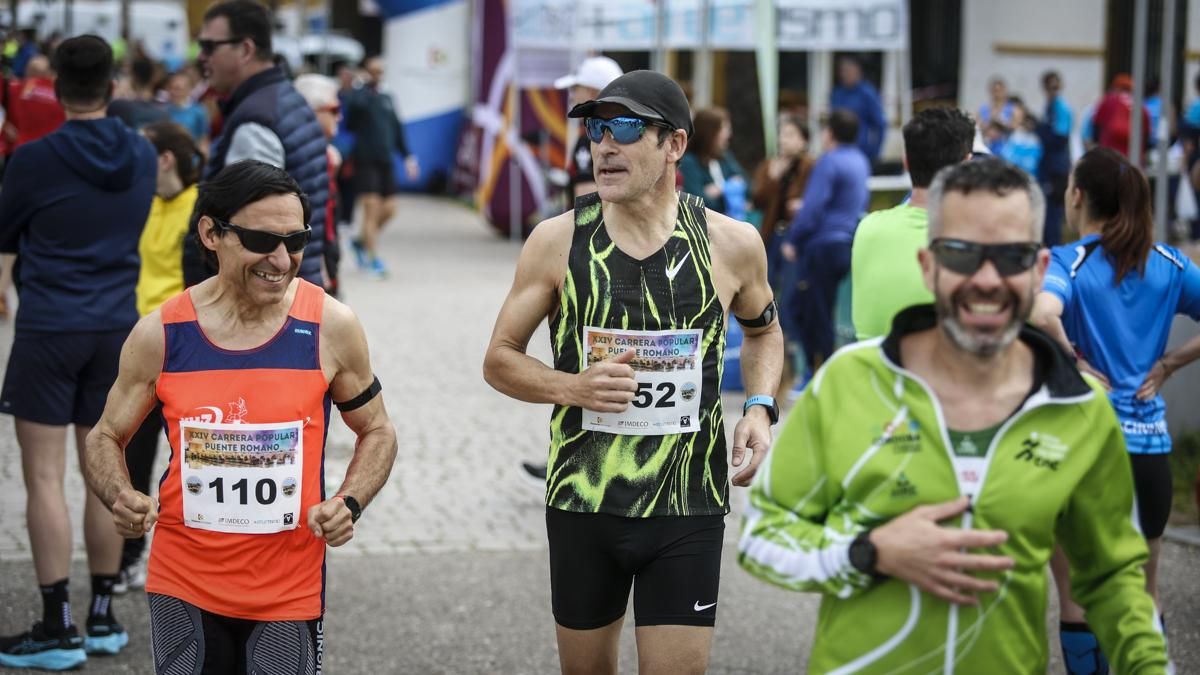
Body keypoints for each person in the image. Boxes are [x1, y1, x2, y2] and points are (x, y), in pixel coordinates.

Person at [739, 157, 1168, 674]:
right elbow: (761, 535)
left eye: (1010, 256)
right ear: (928, 265)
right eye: (962, 253)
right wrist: (868, 552)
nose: (986, 279)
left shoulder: (1078, 408)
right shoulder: (848, 381)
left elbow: (1113, 578)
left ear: (1038, 269)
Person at [483, 70, 783, 674]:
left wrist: (758, 406)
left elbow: (765, 329)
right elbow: (499, 358)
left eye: (623, 128)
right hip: (583, 502)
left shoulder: (731, 244)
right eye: (595, 129)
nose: (603, 145)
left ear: (674, 144)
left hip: (688, 501)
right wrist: (572, 386)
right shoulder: (556, 241)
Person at [83, 160, 399, 675]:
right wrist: (118, 494)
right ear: (211, 233)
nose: (281, 259)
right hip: (183, 577)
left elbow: (378, 429)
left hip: (288, 586)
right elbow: (106, 435)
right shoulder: (160, 333)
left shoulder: (330, 326)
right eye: (260, 239)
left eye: (295, 241)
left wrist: (350, 500)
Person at [0, 35, 156, 670]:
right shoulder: (143, 154)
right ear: (113, 86)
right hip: (118, 331)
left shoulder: (33, 159)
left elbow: (6, 234)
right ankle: (101, 617)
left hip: (49, 327)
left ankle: (56, 624)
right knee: (105, 475)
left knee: (43, 478)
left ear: (57, 88)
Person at [1031, 147, 1199, 674]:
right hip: (1149, 449)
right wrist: (1170, 364)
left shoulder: (1071, 261)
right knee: (1143, 592)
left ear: (1076, 195)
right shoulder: (1170, 263)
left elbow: (1041, 313)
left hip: (1086, 448)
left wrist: (1075, 358)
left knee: (1079, 595)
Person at [112, 120, 206, 595]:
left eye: (144, 152)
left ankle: (189, 547)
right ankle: (129, 554)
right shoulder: (144, 203)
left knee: (182, 454)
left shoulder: (199, 209)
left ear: (165, 159)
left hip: (183, 345)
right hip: (139, 340)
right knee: (131, 448)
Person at [521, 55, 624, 483]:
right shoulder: (614, 134)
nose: (572, 95)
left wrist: (569, 248)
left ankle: (576, 453)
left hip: (591, 257)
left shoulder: (593, 138)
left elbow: (592, 200)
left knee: (585, 360)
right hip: (603, 255)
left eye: (578, 89)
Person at [186, 0, 328, 288]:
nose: (202, 57)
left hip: (262, 299)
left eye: (210, 46)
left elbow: (253, 230)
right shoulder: (285, 98)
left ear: (246, 50)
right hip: (290, 285)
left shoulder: (257, 120)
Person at [850, 106, 975, 341]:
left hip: (870, 371)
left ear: (906, 163)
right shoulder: (975, 241)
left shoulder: (867, 227)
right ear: (966, 165)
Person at [781, 108, 869, 385]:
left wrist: (794, 239)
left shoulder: (829, 162)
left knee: (807, 311)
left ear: (829, 133)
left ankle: (816, 375)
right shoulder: (860, 161)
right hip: (845, 245)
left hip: (822, 246)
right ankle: (822, 373)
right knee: (823, 309)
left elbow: (814, 208)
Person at [345, 55, 420, 279]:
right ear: (367, 72)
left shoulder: (388, 98)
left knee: (389, 210)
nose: (378, 75)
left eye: (381, 71)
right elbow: (351, 116)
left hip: (385, 161)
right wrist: (362, 87)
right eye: (374, 71)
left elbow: (397, 129)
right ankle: (373, 258)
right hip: (365, 160)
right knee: (371, 208)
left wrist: (408, 157)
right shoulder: (359, 96)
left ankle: (361, 242)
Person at [294, 73, 345, 297]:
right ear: (312, 112)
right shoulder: (307, 155)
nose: (340, 117)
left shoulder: (327, 154)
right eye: (334, 110)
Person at [751, 114, 814, 288]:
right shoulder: (770, 165)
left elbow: (813, 199)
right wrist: (773, 178)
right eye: (782, 135)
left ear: (804, 141)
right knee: (766, 285)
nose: (784, 140)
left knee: (791, 287)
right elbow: (757, 200)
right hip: (771, 233)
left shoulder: (809, 166)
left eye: (791, 135)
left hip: (795, 235)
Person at [554, 55, 624, 205]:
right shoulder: (624, 133)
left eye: (575, 88)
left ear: (592, 92)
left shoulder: (592, 137)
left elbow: (587, 207)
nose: (571, 96)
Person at [680, 107, 748, 217]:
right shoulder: (689, 162)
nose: (728, 135)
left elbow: (746, 184)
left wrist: (721, 188)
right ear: (710, 132)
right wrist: (731, 191)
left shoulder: (725, 157)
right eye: (724, 129)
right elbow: (699, 202)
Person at [1037, 70, 1073, 247]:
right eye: (1050, 87)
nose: (1053, 90)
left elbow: (1059, 137)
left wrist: (1039, 129)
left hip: (1056, 168)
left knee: (1053, 215)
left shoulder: (1061, 108)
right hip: (1048, 166)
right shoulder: (1049, 106)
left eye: (1056, 86)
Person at [830, 55, 886, 164]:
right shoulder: (837, 93)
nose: (844, 74)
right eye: (842, 71)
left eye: (848, 70)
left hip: (862, 151)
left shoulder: (867, 93)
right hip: (838, 151)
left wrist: (875, 151)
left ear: (858, 71)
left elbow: (880, 124)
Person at [1091, 73, 1151, 160]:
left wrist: (1096, 144)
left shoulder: (1109, 99)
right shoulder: (1139, 104)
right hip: (1132, 152)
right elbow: (1146, 133)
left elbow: (1096, 124)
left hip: (1110, 149)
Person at [107, 56, 169, 130]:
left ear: (134, 76)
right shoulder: (164, 98)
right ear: (152, 75)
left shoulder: (123, 103)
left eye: (128, 74)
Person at [998, 99, 1042, 178]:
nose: (1009, 119)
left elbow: (1031, 163)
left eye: (1013, 116)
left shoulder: (1032, 139)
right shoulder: (1006, 135)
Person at [165, 70, 210, 148]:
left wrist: (203, 157)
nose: (173, 92)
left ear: (188, 89)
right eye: (171, 88)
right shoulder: (164, 111)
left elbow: (203, 139)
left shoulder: (198, 111)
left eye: (178, 89)